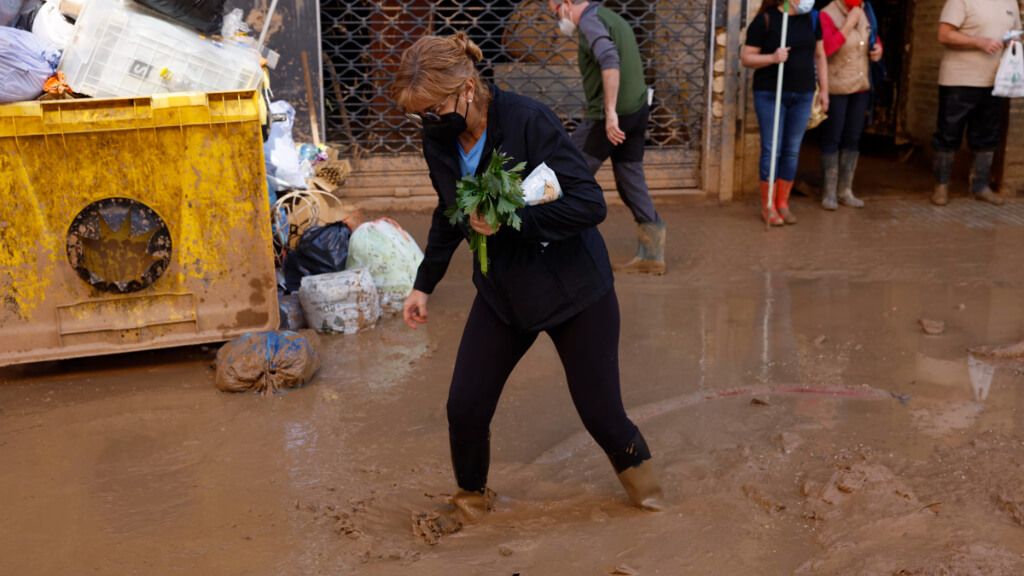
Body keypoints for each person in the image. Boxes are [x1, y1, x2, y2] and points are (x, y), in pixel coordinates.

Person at [392, 33, 664, 538]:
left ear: (467, 89)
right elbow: (447, 211)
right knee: (465, 406)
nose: (428, 122)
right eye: (419, 114)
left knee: (603, 416)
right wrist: (423, 284)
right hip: (504, 293)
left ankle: (653, 506)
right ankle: (471, 502)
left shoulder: (526, 120)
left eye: (434, 109)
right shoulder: (438, 141)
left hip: (574, 290)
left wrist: (513, 216)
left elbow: (589, 203)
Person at [547, 0, 665, 275]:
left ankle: (554, 248)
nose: (556, 19)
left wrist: (610, 112)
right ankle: (652, 255)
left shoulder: (588, 21)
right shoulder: (611, 17)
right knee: (629, 179)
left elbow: (609, 59)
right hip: (637, 109)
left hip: (609, 117)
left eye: (554, 12)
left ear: (566, 4)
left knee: (564, 172)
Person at [741, 0, 829, 226]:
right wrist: (772, 58)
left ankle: (783, 203)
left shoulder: (812, 19)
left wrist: (825, 91)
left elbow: (820, 55)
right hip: (770, 94)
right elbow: (747, 57)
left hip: (803, 94)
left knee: (791, 151)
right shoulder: (765, 20)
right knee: (772, 149)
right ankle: (767, 205)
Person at [932, 0, 1021, 206]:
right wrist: (979, 42)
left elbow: (1016, 33)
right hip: (958, 79)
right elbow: (944, 34)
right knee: (948, 133)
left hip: (996, 81)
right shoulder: (960, 1)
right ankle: (941, 186)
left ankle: (980, 186)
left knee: (988, 134)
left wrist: (1013, 41)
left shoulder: (1010, 3)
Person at [818, 0, 883, 211]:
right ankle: (829, 192)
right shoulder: (827, 14)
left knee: (853, 137)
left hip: (860, 84)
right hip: (836, 85)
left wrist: (879, 49)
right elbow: (825, 49)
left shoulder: (866, 11)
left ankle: (845, 190)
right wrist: (847, 25)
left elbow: (873, 37)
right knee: (832, 137)